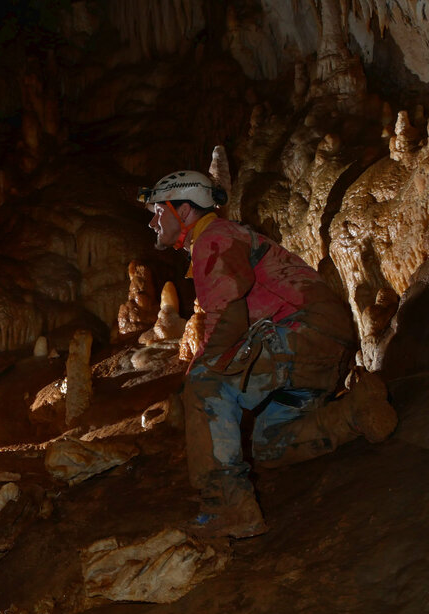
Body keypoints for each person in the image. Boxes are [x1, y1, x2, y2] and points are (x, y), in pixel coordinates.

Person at [138, 170, 398, 538]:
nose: (152, 221)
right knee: (268, 444)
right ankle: (356, 413)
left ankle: (228, 508)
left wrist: (195, 377)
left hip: (300, 330)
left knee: (205, 383)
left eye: (157, 210)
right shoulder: (224, 237)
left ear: (184, 209)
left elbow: (227, 315)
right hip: (324, 344)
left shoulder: (214, 237)